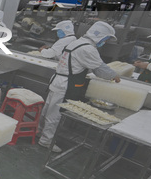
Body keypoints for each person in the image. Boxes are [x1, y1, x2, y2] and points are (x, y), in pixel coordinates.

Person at [39, 21, 120, 152]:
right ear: (100, 37)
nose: (105, 42)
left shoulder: (77, 42)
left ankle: (39, 132)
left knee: (47, 109)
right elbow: (101, 70)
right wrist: (114, 76)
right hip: (65, 84)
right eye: (106, 39)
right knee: (55, 114)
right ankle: (46, 141)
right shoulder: (88, 48)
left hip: (57, 81)